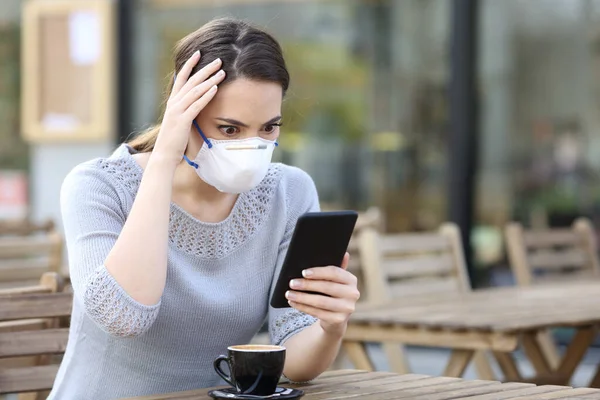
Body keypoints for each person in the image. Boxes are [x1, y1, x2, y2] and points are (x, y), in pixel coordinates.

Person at [48, 17, 360, 399]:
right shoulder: (98, 186)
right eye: (229, 129)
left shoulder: (289, 192)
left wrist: (331, 326)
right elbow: (125, 317)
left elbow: (293, 365)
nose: (252, 147)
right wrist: (164, 157)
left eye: (268, 128)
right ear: (184, 116)